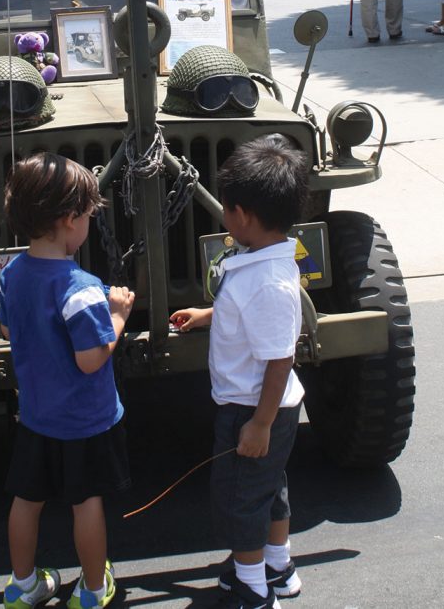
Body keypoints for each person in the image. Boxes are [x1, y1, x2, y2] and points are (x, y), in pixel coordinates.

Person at [171, 136, 307, 609]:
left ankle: (252, 589)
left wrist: (260, 423)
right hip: (266, 406)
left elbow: (279, 357)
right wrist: (208, 315)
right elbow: (254, 320)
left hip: (252, 407)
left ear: (243, 216)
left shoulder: (266, 282)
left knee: (240, 499)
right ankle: (278, 565)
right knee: (268, 489)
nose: (224, 217)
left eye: (226, 208)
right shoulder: (265, 261)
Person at [0, 153, 135, 609]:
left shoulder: (11, 273)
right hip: (83, 420)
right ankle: (94, 590)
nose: (89, 226)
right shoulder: (81, 287)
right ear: (69, 220)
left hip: (36, 415)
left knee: (27, 498)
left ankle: (22, 586)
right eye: (88, 217)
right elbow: (92, 359)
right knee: (86, 502)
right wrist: (117, 316)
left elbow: (7, 328)